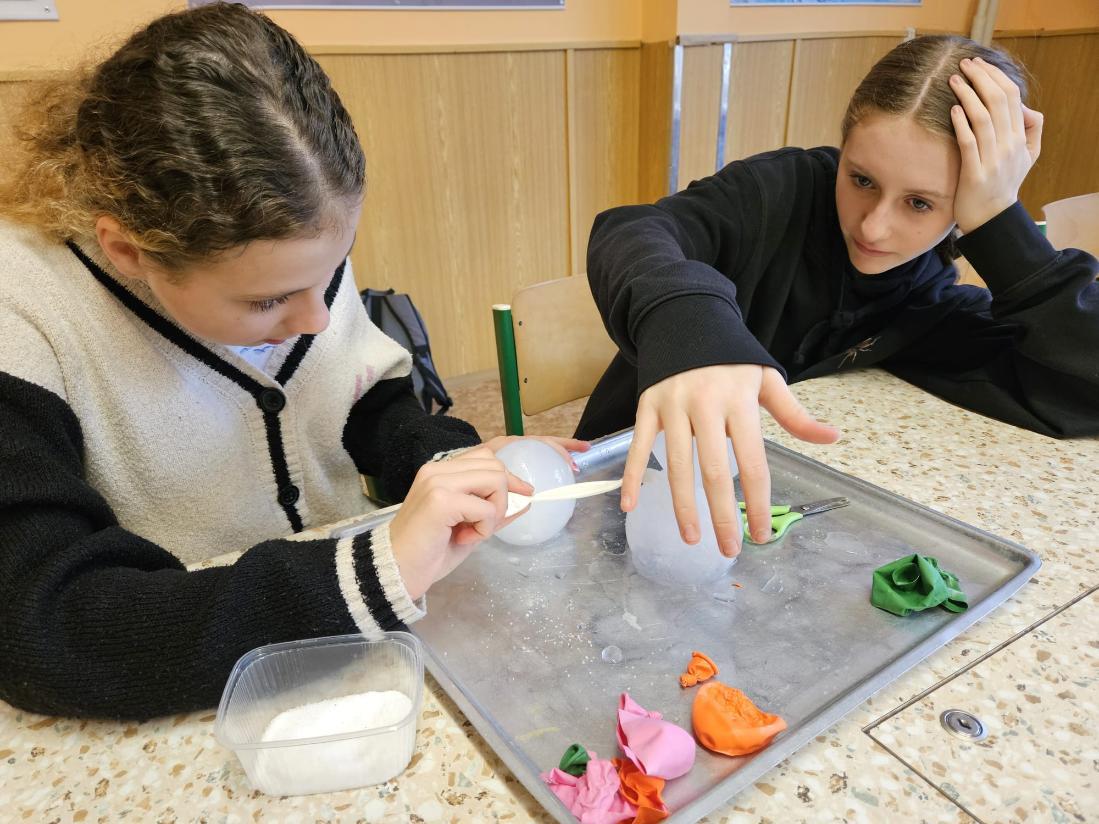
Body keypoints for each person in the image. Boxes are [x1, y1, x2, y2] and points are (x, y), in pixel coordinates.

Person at [0, 3, 584, 720]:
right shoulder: (23, 311)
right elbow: (43, 629)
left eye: (332, 272)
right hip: (184, 679)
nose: (316, 319)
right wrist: (367, 575)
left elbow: (360, 397)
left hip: (357, 633)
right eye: (266, 302)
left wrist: (444, 463)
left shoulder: (292, 238)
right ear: (128, 251)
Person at [576, 35, 1099, 560]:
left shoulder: (927, 299)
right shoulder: (778, 191)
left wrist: (1001, 224)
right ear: (843, 147)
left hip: (740, 532)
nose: (873, 227)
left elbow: (1081, 389)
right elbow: (634, 229)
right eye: (861, 180)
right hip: (609, 498)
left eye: (920, 203)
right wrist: (693, 332)